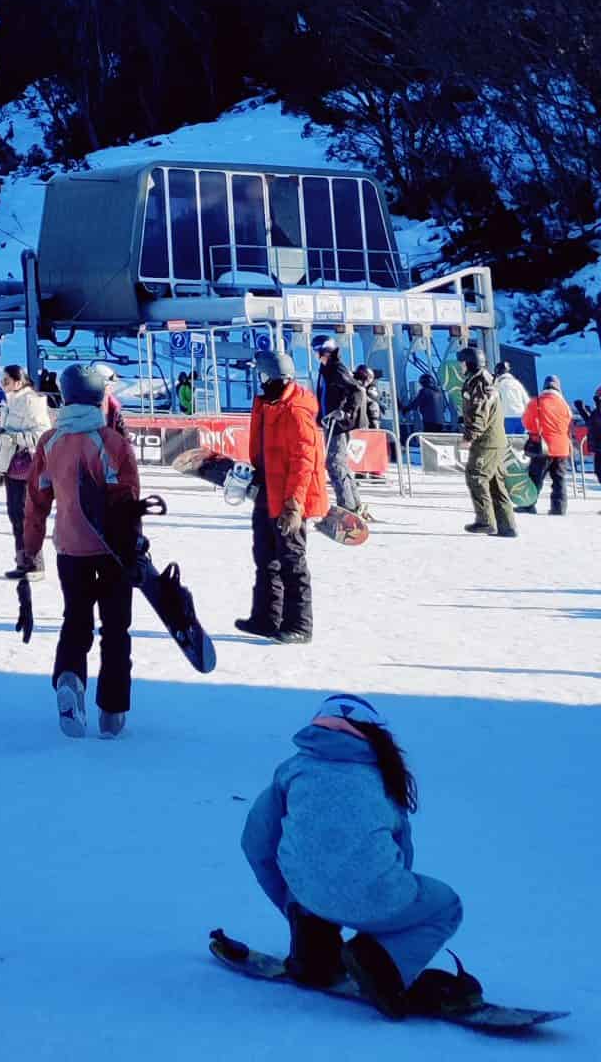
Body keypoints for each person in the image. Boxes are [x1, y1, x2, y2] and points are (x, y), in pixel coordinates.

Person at [240, 692, 477, 1019]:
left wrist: (290, 901)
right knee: (446, 906)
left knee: (312, 863)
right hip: (376, 893)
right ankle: (381, 961)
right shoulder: (382, 778)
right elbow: (401, 852)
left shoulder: (293, 770)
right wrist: (382, 913)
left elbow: (256, 842)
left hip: (307, 895)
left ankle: (314, 952)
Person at [19, 358, 139, 738]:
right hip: (112, 553)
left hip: (69, 551)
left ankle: (70, 678)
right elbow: (128, 499)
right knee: (116, 629)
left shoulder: (50, 442)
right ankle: (112, 711)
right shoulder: (111, 443)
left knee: (76, 622)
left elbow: (36, 500)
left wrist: (29, 548)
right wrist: (134, 544)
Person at [234, 348, 329, 643]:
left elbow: (304, 463)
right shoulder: (268, 404)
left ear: (271, 377)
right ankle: (266, 617)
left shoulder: (296, 413)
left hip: (289, 498)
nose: (258, 381)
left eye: (261, 375)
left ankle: (299, 624)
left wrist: (294, 504)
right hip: (267, 490)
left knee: (292, 560)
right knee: (264, 556)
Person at [0, 362, 52, 576]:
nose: (2, 385)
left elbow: (43, 433)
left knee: (28, 515)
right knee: (15, 514)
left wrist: (16, 438)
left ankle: (35, 562)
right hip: (12, 466)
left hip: (27, 466)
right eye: (1, 381)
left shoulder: (32, 402)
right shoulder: (10, 402)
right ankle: (22, 561)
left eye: (6, 381)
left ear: (18, 382)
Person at [459, 346, 516, 537]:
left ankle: (485, 521)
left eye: (462, 362)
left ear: (469, 363)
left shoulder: (479, 383)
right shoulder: (485, 379)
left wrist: (469, 436)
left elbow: (479, 412)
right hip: (495, 439)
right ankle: (507, 526)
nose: (460, 366)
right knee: (495, 483)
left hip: (487, 441)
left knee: (476, 476)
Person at [316, 341, 365, 516]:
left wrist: (345, 412)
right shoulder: (327, 370)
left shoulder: (336, 368)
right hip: (330, 422)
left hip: (338, 424)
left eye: (318, 351)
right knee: (339, 464)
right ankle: (354, 504)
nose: (316, 355)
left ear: (326, 352)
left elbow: (357, 391)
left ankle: (347, 507)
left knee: (335, 464)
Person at [520, 373, 573, 517]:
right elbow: (569, 424)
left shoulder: (536, 402)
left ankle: (528, 505)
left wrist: (536, 432)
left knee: (535, 478)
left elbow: (526, 422)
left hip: (543, 447)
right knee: (559, 479)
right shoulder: (565, 405)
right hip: (562, 448)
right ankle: (559, 508)